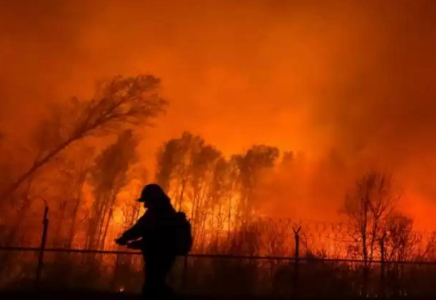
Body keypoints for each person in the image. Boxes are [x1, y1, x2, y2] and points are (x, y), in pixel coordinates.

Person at [115, 184, 187, 300]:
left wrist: (124, 238)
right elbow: (154, 237)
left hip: (157, 255)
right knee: (155, 284)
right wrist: (136, 243)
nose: (145, 205)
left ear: (153, 199)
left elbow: (142, 230)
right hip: (165, 254)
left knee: (153, 285)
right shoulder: (167, 213)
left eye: (146, 201)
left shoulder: (156, 214)